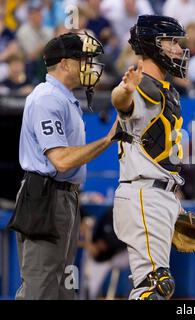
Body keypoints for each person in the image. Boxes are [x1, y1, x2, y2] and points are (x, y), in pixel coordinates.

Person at [10, 32, 117, 299]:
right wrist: (107, 140)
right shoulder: (47, 98)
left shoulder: (64, 97)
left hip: (63, 195)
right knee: (41, 287)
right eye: (83, 59)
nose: (89, 66)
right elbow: (60, 159)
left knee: (62, 287)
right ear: (66, 63)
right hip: (45, 196)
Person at [110, 15, 189, 300]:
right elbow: (122, 101)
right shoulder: (142, 85)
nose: (179, 49)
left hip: (158, 193)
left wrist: (172, 205)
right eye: (172, 42)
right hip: (144, 192)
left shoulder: (166, 89)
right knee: (153, 288)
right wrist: (124, 90)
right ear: (153, 45)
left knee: (156, 288)